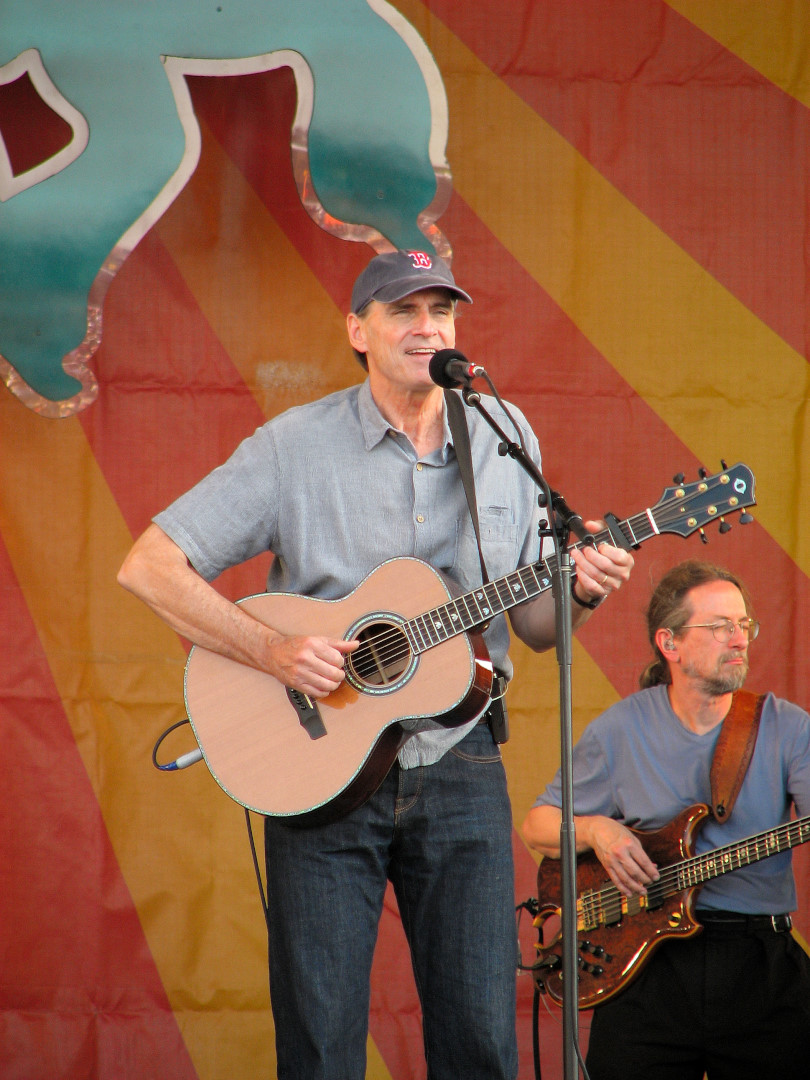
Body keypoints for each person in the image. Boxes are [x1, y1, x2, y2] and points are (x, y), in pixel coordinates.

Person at [118, 248, 634, 1080]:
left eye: (443, 311)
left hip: (462, 764)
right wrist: (274, 650)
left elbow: (536, 625)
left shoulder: (506, 438)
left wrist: (584, 588)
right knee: (321, 1043)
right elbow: (148, 565)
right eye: (404, 311)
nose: (428, 327)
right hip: (319, 769)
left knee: (478, 1038)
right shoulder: (294, 447)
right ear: (358, 330)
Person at [523, 559, 810, 1080]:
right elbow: (537, 824)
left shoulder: (788, 727)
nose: (739, 638)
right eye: (720, 626)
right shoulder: (621, 728)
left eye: (744, 624)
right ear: (669, 643)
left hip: (759, 966)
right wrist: (597, 830)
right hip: (645, 971)